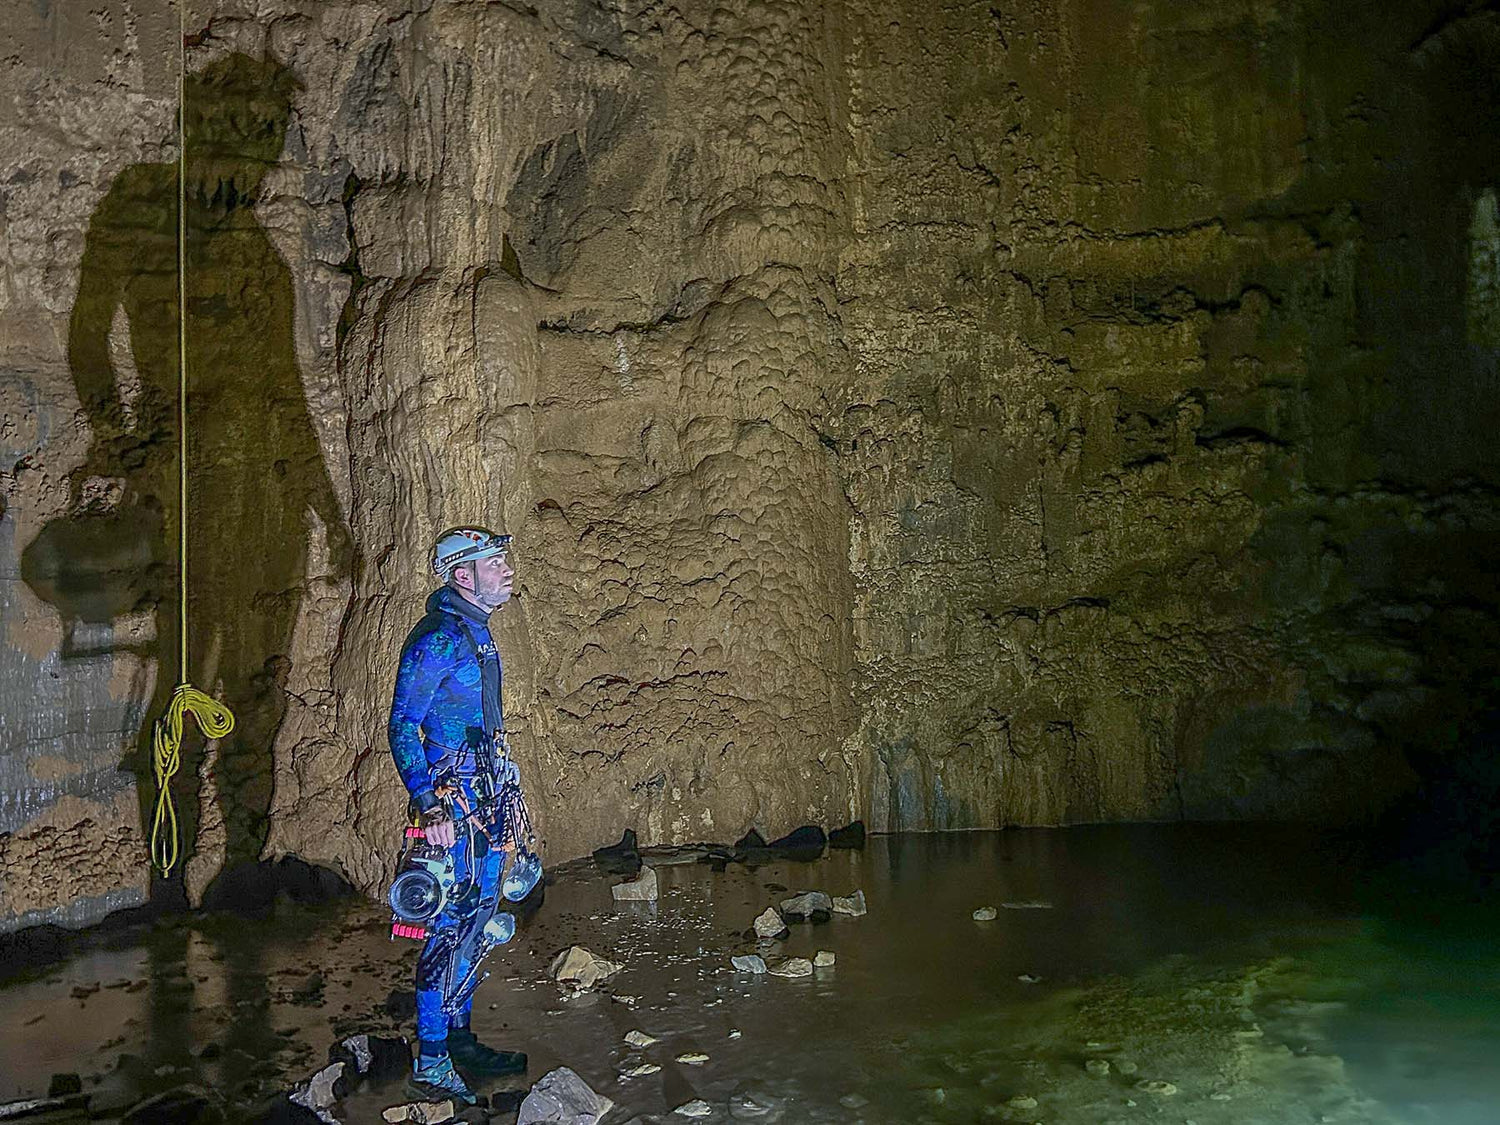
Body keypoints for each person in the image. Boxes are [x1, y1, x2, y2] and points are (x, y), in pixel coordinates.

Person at [388, 526, 529, 1104]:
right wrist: (428, 803)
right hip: (453, 807)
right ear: (461, 576)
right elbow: (403, 725)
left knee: (479, 921)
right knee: (447, 930)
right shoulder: (439, 640)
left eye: (504, 560)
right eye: (494, 562)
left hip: (489, 800)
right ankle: (431, 1059)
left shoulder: (479, 636)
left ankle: (460, 1038)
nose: (507, 569)